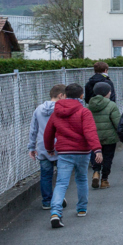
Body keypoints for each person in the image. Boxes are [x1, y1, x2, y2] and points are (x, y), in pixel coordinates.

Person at [44, 84, 102, 228]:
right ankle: (82, 208)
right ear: (81, 96)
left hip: (64, 152)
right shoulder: (84, 112)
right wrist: (97, 149)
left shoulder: (56, 112)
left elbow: (48, 133)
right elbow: (90, 132)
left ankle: (55, 212)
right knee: (81, 179)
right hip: (82, 152)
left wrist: (50, 148)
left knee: (61, 183)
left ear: (65, 95)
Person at [28, 84, 67, 210]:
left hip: (43, 147)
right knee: (62, 175)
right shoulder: (62, 109)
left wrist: (31, 147)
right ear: (61, 95)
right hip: (60, 146)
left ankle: (46, 201)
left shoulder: (38, 109)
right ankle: (58, 198)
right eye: (66, 96)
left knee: (45, 175)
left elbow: (33, 130)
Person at [87, 82, 121, 190]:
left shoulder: (89, 106)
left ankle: (96, 172)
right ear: (106, 93)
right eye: (109, 91)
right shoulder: (111, 105)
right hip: (109, 137)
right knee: (108, 158)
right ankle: (104, 179)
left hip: (94, 137)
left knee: (96, 155)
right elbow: (117, 122)